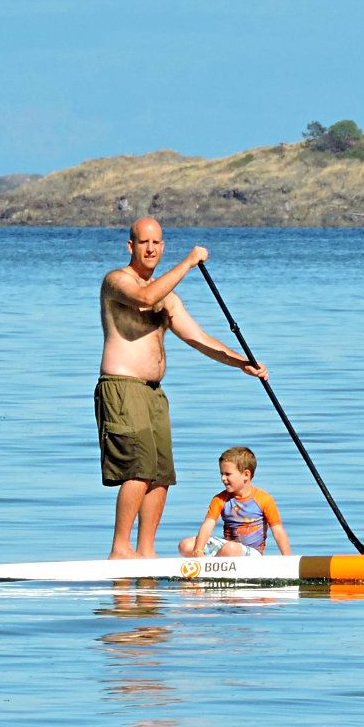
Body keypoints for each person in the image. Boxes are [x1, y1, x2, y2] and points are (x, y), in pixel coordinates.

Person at [97, 218, 266, 559]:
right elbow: (145, 295)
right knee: (138, 469)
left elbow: (199, 339)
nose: (150, 249)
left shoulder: (168, 298)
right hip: (122, 387)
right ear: (131, 246)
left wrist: (241, 362)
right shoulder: (116, 282)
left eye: (157, 243)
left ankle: (145, 552)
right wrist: (188, 262)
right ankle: (120, 549)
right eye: (144, 242)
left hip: (154, 393)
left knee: (160, 475)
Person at [179, 446, 291, 558]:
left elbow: (278, 531)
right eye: (221, 474)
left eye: (228, 474)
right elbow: (208, 525)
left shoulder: (264, 499)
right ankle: (210, 564)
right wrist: (198, 550)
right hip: (227, 547)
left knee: (231, 549)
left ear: (246, 475)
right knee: (186, 545)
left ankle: (212, 566)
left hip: (252, 554)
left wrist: (287, 558)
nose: (223, 478)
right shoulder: (220, 499)